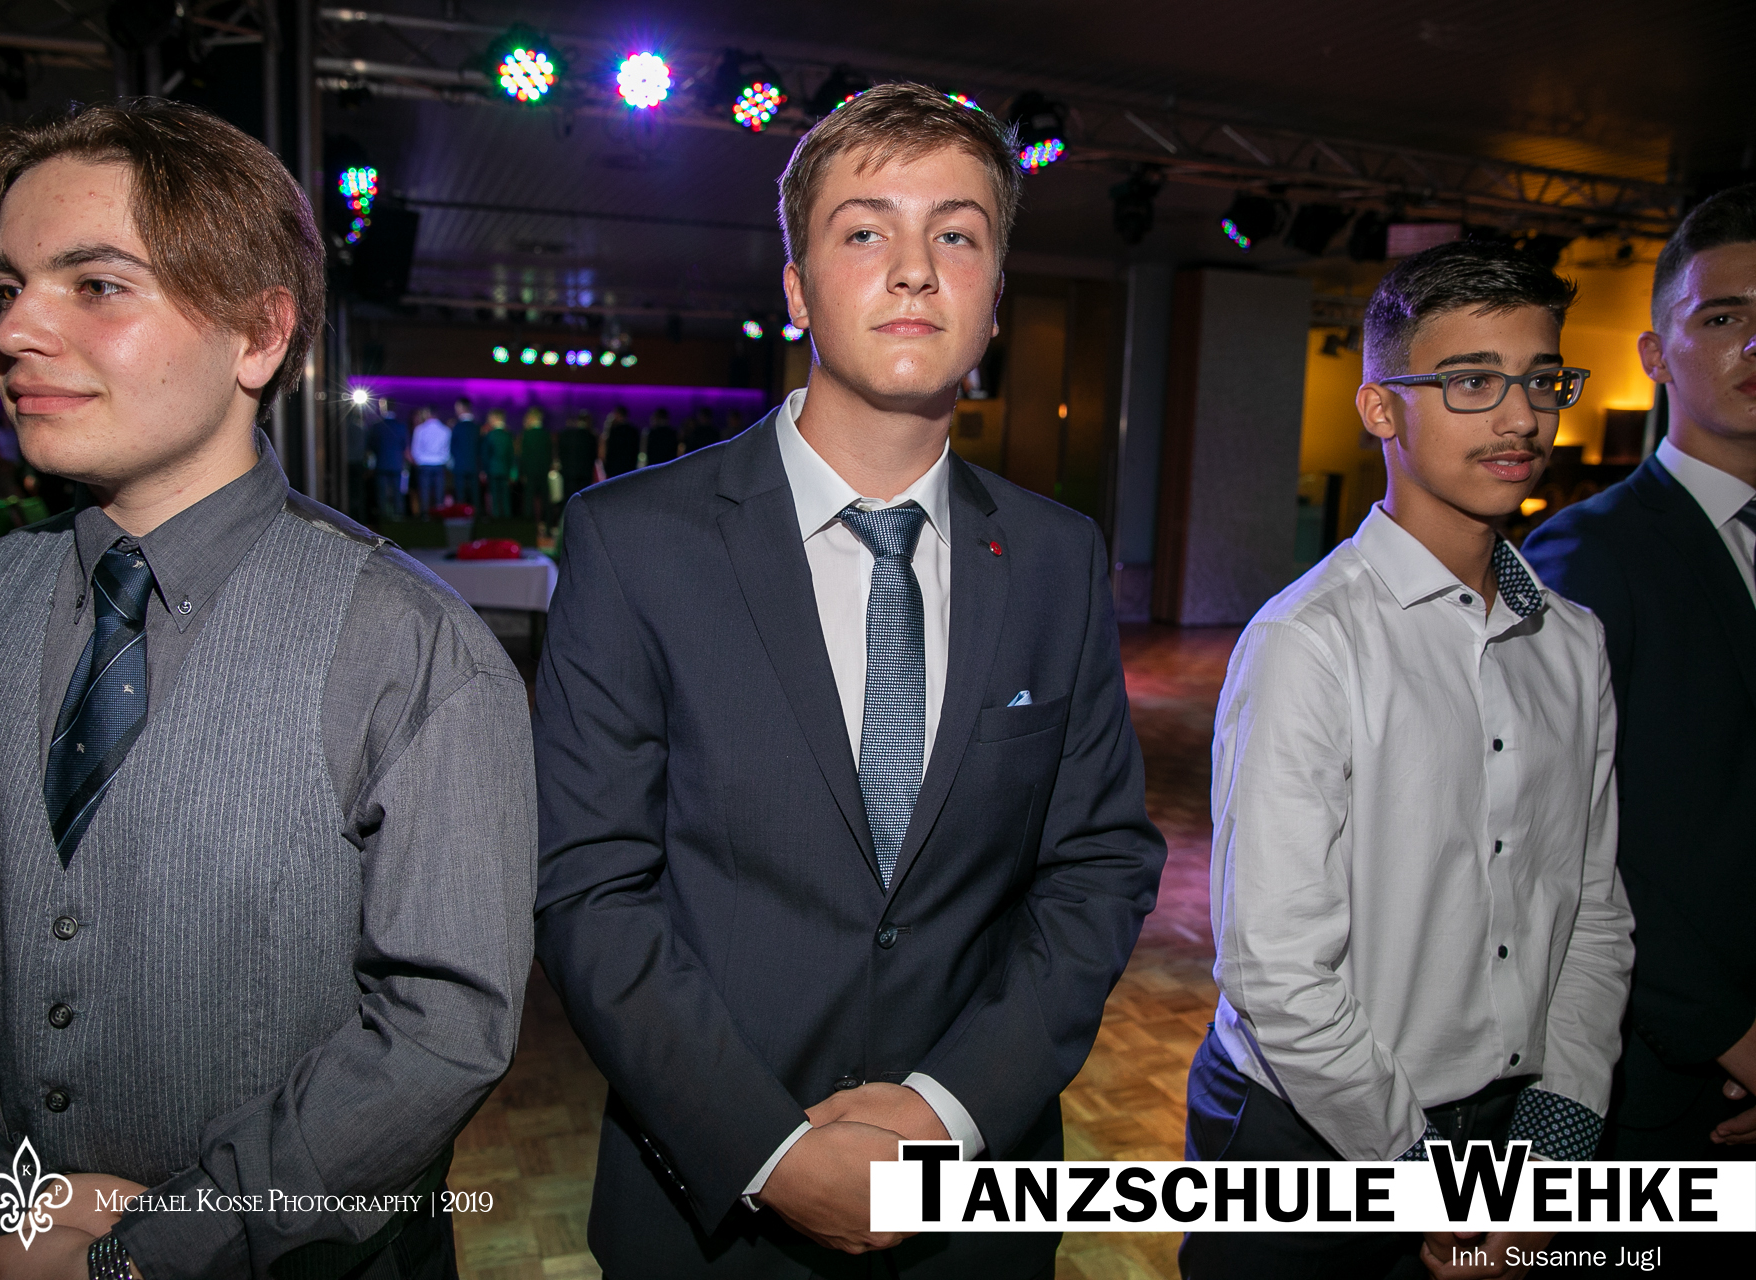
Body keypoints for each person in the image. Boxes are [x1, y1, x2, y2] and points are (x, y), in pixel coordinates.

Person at [0, 99, 536, 1280]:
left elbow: (439, 1027)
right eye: (5, 289)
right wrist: (6, 1211)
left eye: (96, 285)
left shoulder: (414, 648)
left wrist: (146, 1254)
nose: (12, 332)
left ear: (259, 334)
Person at [534, 82, 1166, 1278]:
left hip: (971, 1206)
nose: (916, 269)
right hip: (709, 1211)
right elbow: (591, 886)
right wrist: (766, 1148)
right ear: (796, 287)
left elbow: (1097, 864)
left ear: (994, 298)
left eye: (958, 235)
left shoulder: (1056, 557)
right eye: (866, 230)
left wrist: (950, 1106)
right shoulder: (633, 540)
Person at [1181, 241, 1634, 1280]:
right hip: (1312, 1132)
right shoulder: (1309, 641)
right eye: (1472, 381)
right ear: (1382, 409)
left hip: (1509, 1129)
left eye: (1541, 380)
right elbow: (1277, 971)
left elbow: (1592, 912)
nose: (1520, 418)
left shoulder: (1574, 642)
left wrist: (1549, 1152)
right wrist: (1426, 1181)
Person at [1523, 184, 1756, 1271]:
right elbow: (1573, 850)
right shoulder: (1585, 557)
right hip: (1662, 1086)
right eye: (1723, 315)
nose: (1755, 342)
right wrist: (1733, 1038)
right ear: (1657, 353)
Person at [554, 407, 597, 521]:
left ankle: (564, 526)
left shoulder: (565, 435)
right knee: (583, 504)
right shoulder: (590, 436)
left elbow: (560, 454)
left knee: (568, 502)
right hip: (584, 476)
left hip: (569, 475)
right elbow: (594, 456)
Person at [409, 405, 450, 515]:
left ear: (427, 414)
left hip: (424, 465)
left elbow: (415, 450)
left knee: (424, 492)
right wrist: (443, 459)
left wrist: (419, 460)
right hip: (439, 464)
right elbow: (447, 450)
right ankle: (439, 517)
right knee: (439, 493)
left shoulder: (420, 429)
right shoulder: (445, 430)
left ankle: (425, 517)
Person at [372, 396, 407, 522]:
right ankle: (398, 516)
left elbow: (372, 445)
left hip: (381, 464)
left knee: (382, 493)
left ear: (383, 406)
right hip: (397, 464)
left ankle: (383, 518)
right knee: (397, 492)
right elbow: (404, 446)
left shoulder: (377, 426)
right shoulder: (401, 426)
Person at [517, 405, 552, 532]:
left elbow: (523, 456)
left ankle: (528, 528)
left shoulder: (526, 435)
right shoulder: (546, 435)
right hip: (543, 472)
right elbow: (549, 455)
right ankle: (548, 527)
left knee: (528, 500)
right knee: (546, 500)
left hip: (530, 472)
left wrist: (522, 473)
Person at [481, 408, 514, 518]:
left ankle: (496, 520)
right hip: (505, 470)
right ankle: (507, 519)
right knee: (505, 496)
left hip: (492, 470)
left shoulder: (490, 435)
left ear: (495, 418)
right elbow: (511, 455)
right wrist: (511, 471)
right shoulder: (508, 435)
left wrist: (485, 470)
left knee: (494, 496)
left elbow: (486, 455)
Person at [450, 397, 480, 507]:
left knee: (461, 496)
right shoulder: (477, 427)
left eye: (457, 408)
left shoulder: (457, 427)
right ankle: (476, 514)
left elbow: (452, 447)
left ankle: (462, 515)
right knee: (475, 495)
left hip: (460, 467)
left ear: (462, 408)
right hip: (474, 466)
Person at [601, 404, 639, 477]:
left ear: (618, 414)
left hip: (614, 470)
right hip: (629, 469)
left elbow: (609, 451)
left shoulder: (613, 431)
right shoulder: (633, 431)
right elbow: (635, 450)